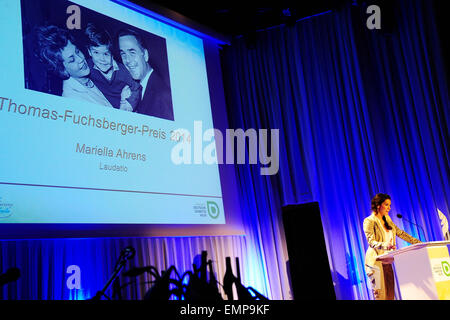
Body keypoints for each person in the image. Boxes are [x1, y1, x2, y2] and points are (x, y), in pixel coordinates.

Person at [35, 25, 112, 107]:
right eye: (72, 60)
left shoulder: (95, 67)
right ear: (62, 70)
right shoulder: (73, 99)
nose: (80, 59)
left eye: (77, 51)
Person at [363, 193, 421, 300]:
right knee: (380, 296)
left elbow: (400, 233)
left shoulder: (387, 219)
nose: (389, 208)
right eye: (386, 205)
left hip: (387, 261)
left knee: (390, 296)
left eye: (390, 205)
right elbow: (371, 242)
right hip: (375, 262)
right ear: (378, 205)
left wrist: (417, 242)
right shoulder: (369, 221)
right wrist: (386, 245)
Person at [117, 28, 174, 120]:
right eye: (123, 54)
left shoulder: (162, 94)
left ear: (145, 55)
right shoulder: (140, 88)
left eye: (132, 52)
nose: (127, 60)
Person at [84, 23, 141, 111]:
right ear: (89, 52)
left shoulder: (124, 71)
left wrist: (128, 106)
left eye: (106, 54)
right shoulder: (87, 67)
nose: (102, 59)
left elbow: (136, 88)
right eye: (96, 53)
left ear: (112, 54)